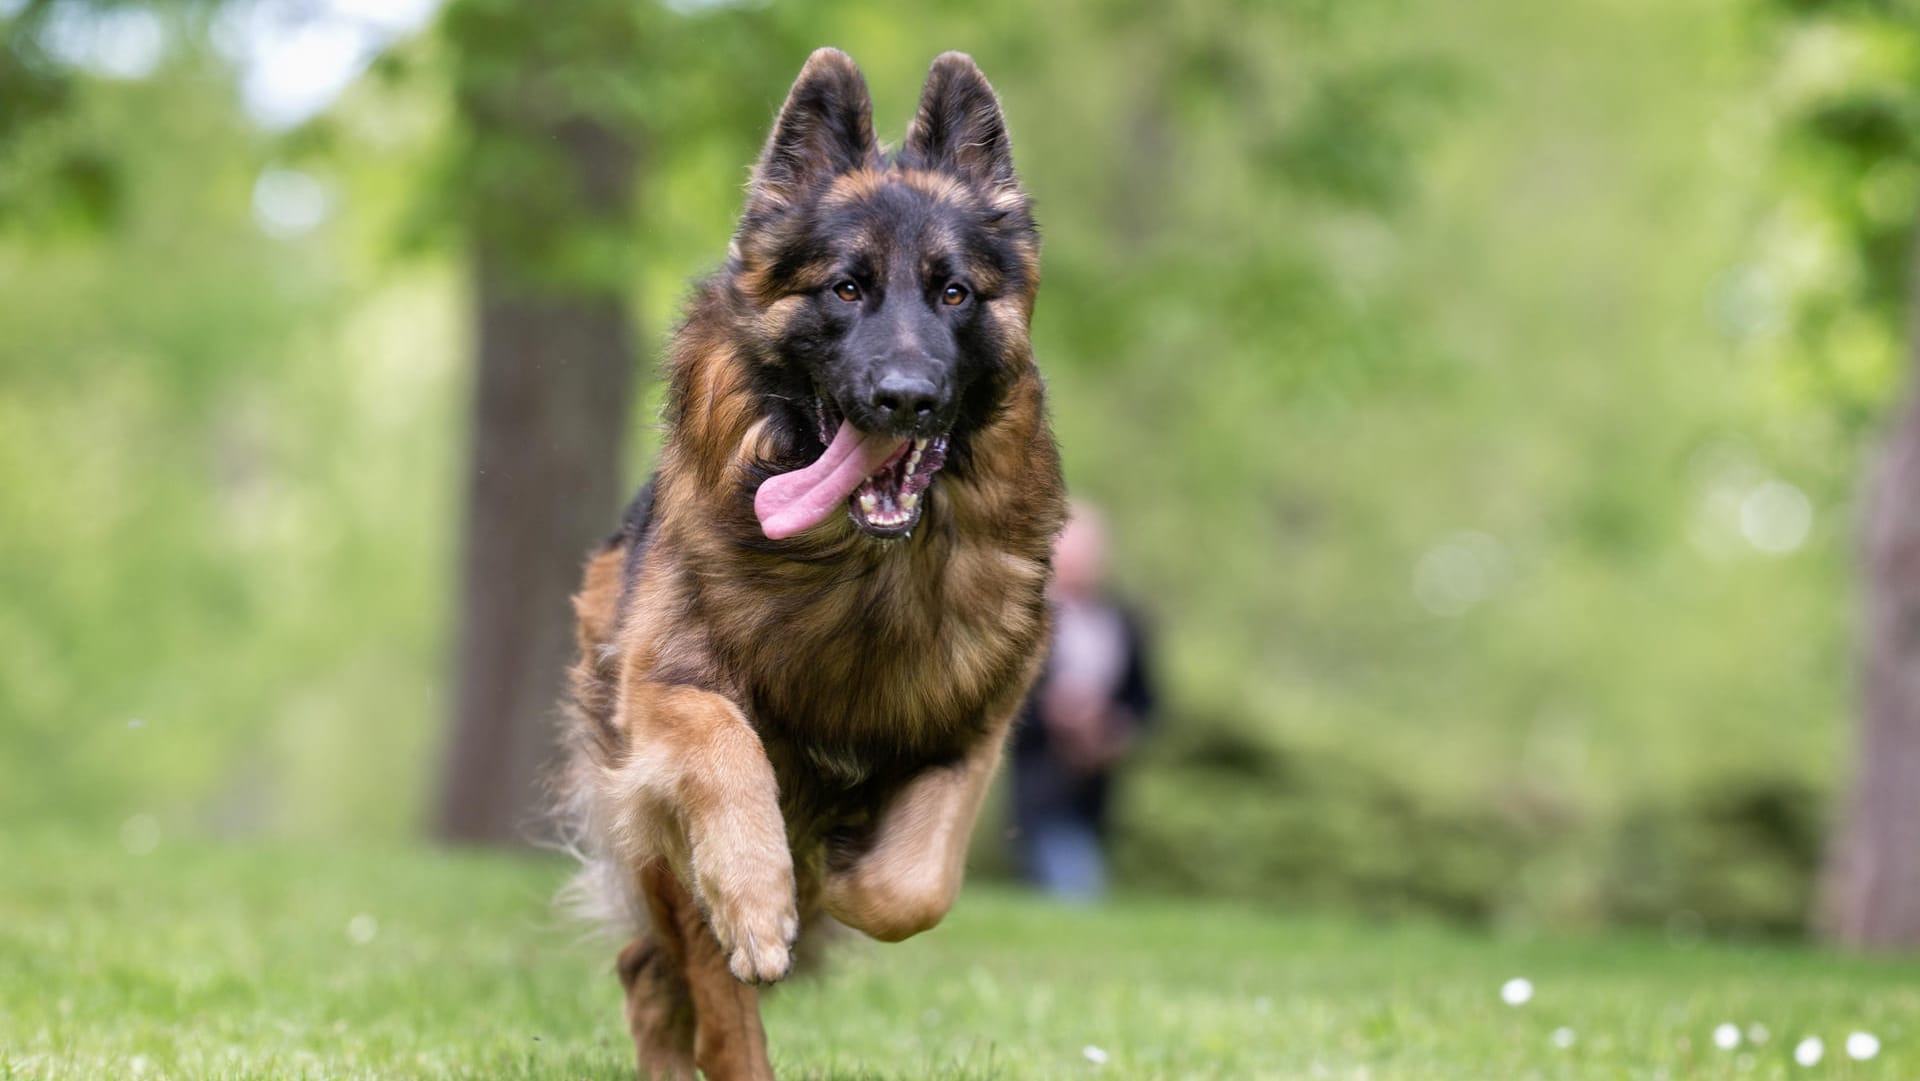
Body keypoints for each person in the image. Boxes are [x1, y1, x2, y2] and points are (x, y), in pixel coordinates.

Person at [1012, 502, 1155, 900]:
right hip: (1039, 781)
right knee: (1068, 876)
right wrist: (1054, 715)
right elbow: (999, 708)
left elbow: (1147, 700)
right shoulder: (1025, 619)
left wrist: (1117, 729)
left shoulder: (1124, 621)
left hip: (1097, 789)